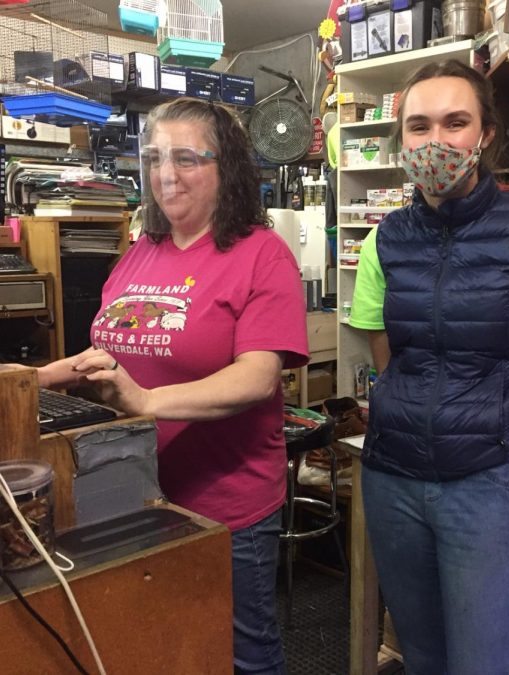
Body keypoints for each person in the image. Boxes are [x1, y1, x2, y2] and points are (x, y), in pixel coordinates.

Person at [36, 99, 308, 675]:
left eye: (186, 158)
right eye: (156, 157)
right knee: (160, 645)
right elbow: (110, 352)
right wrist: (30, 379)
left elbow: (258, 376)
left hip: (224, 507)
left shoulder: (263, 255)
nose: (166, 174)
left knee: (242, 656)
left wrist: (146, 402)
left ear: (226, 168)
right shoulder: (141, 253)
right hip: (129, 493)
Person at [348, 60, 509, 674]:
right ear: (401, 138)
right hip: (394, 480)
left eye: (455, 122)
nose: (436, 141)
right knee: (423, 658)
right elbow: (388, 358)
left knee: (485, 664)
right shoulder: (385, 241)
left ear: (486, 134)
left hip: (489, 481)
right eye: (418, 126)